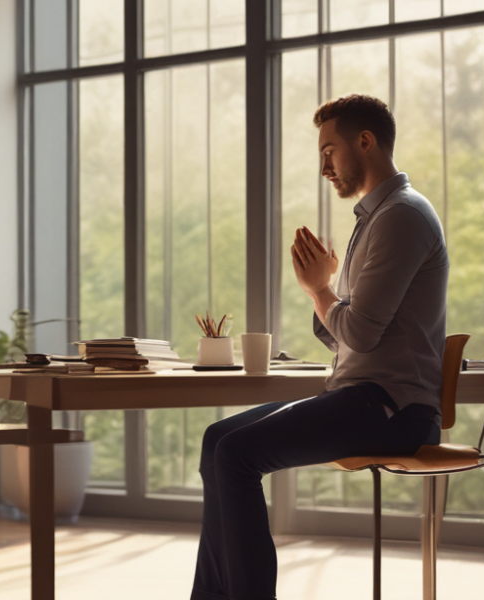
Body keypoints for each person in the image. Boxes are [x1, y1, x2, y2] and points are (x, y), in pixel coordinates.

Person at [191, 93, 449, 600]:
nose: (324, 166)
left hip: (392, 410)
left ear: (366, 141)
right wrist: (324, 290)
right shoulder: (375, 218)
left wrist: (318, 288)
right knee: (215, 441)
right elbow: (344, 334)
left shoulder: (402, 216)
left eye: (329, 150)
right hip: (359, 398)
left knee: (237, 455)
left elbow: (358, 334)